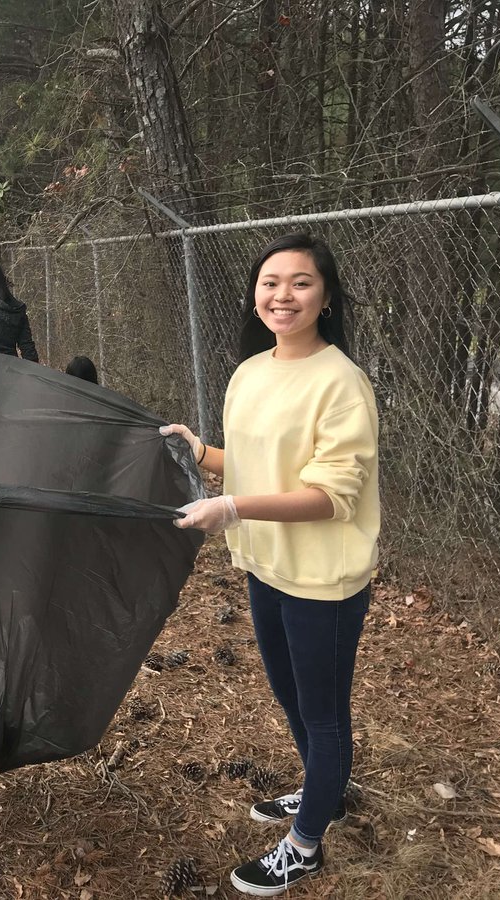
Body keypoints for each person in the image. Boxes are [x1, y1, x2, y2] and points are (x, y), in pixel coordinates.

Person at [160, 234, 378, 896]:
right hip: (267, 566)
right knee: (289, 694)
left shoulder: (342, 383)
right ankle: (324, 791)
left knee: (322, 711)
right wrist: (202, 454)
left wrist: (229, 507)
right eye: (271, 282)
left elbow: (329, 495)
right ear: (255, 296)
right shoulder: (250, 371)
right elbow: (260, 462)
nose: (283, 295)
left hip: (323, 580)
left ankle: (306, 844)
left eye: (301, 283)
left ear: (327, 298)